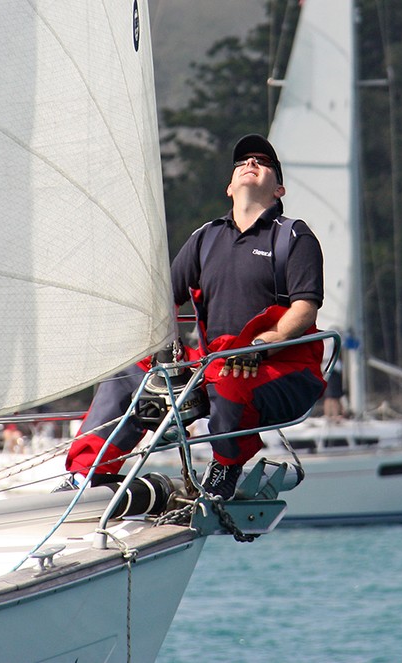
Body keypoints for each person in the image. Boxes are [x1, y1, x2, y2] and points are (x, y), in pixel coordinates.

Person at [62, 134, 326, 499]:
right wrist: (162, 348)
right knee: (126, 371)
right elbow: (163, 300)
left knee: (227, 375)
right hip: (213, 361)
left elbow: (304, 308)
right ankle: (85, 474)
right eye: (242, 162)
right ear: (230, 187)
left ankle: (226, 467)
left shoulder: (293, 236)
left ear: (278, 189)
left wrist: (260, 346)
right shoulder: (205, 238)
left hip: (285, 366)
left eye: (262, 162)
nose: (251, 164)